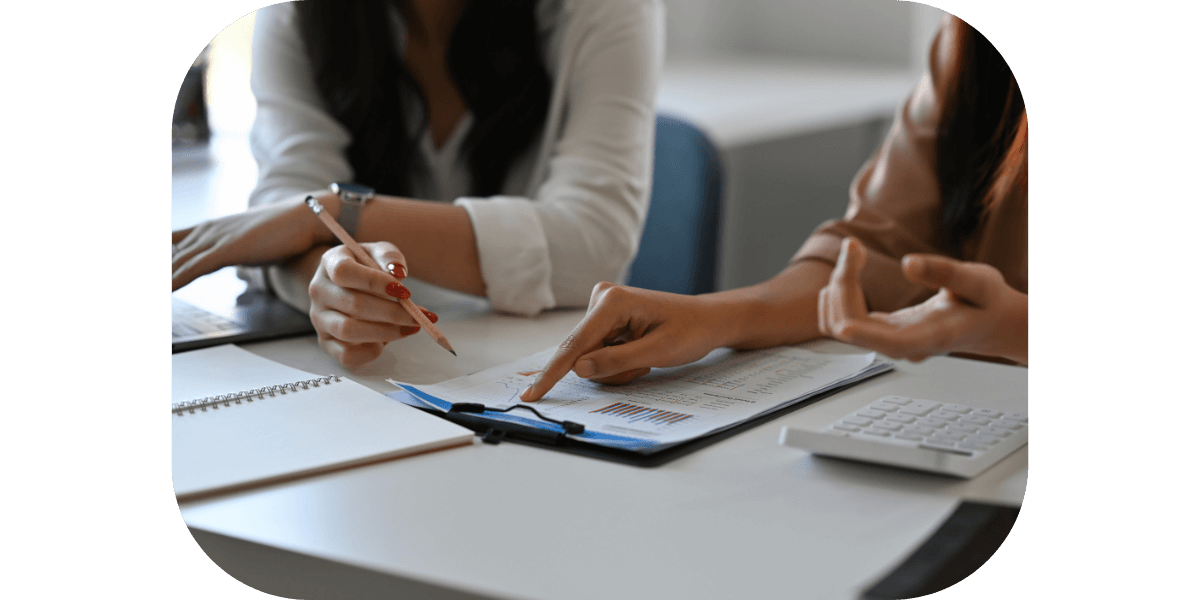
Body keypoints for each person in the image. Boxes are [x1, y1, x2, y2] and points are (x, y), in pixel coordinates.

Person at [521, 14, 1028, 403]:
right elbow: (873, 251)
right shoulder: (967, 45)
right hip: (961, 425)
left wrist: (1011, 329)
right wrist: (716, 316)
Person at [171, 0, 663, 367]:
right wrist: (326, 282)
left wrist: (335, 212)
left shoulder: (605, 10)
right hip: (379, 378)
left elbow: (596, 244)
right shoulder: (296, 15)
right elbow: (275, 225)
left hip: (533, 367)